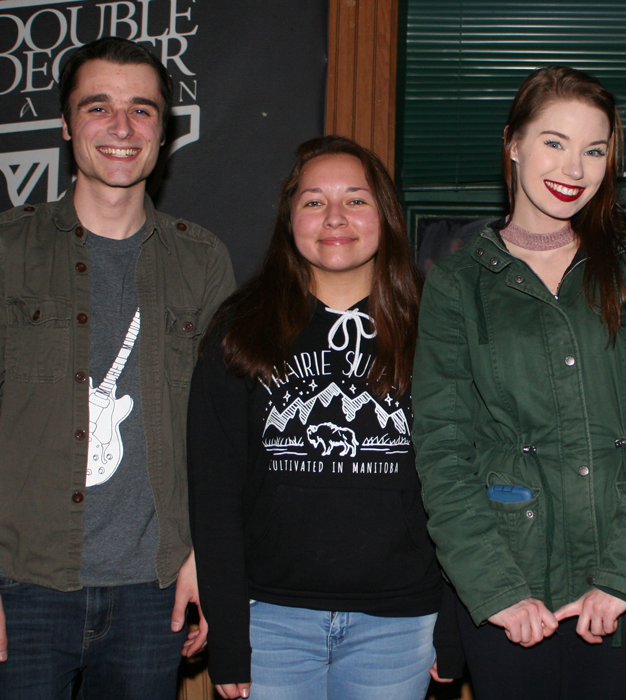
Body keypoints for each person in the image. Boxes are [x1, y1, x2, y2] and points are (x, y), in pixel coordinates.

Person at [0, 37, 235, 699]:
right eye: (99, 108)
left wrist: (201, 560)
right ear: (67, 125)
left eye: (143, 110)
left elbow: (217, 433)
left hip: (152, 595)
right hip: (19, 587)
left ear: (165, 131)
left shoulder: (203, 261)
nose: (122, 129)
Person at [411, 65, 626, 700]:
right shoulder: (457, 284)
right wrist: (496, 590)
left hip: (625, 584)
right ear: (513, 142)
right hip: (508, 581)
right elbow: (442, 451)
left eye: (594, 150)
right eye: (554, 142)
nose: (575, 168)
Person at [188, 135, 443, 700]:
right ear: (289, 218)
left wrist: (454, 626)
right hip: (270, 622)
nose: (334, 217)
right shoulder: (240, 327)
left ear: (385, 216)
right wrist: (229, 636)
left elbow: (463, 484)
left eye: (355, 200)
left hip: (398, 625)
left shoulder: (437, 327)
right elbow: (214, 495)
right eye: (312, 201)